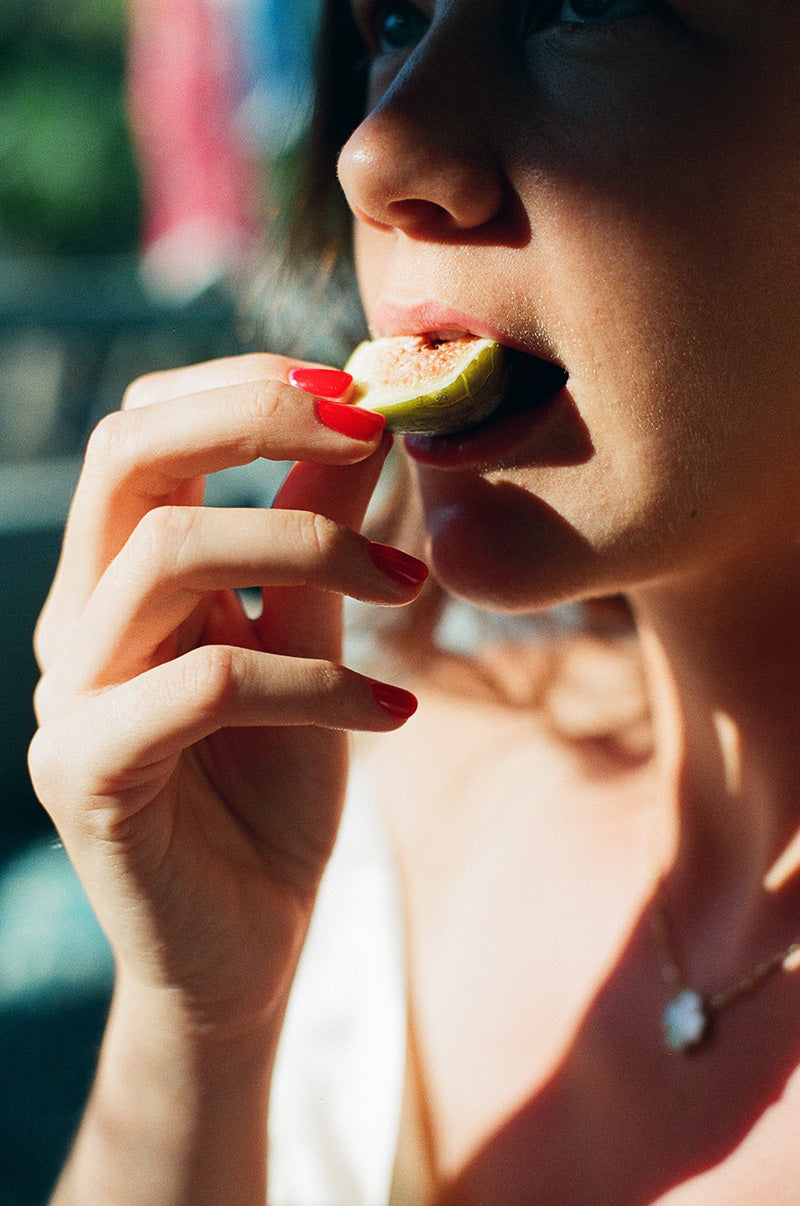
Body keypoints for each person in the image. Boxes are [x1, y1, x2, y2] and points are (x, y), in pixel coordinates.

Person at [28, 0, 800, 1201]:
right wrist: (196, 1026)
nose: (371, 152)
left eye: (579, 9)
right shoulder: (356, 806)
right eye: (390, 20)